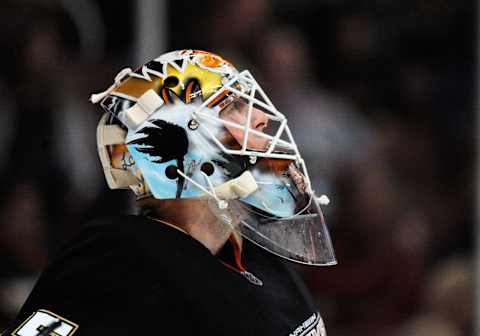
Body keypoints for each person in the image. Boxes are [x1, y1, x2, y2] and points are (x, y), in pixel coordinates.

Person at [2, 50, 335, 335]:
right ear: (183, 144)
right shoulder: (118, 259)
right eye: (233, 105)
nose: (261, 118)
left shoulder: (253, 254)